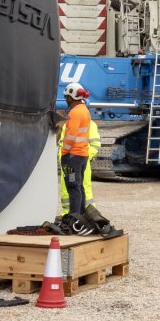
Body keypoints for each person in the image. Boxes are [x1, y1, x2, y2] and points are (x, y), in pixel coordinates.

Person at [60, 82, 92, 223]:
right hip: (82, 156)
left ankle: (74, 218)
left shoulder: (75, 112)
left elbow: (71, 136)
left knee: (73, 187)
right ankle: (82, 216)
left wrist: (64, 151)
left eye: (67, 97)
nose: (66, 100)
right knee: (79, 187)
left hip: (72, 156)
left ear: (71, 97)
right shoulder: (84, 110)